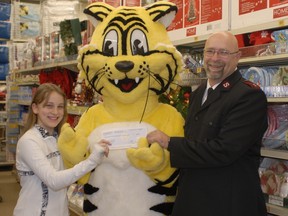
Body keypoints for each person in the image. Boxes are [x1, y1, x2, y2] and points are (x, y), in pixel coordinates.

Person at [147, 31, 268, 216]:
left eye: (223, 52)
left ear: (237, 57)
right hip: (193, 199)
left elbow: (224, 150)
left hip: (228, 203)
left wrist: (170, 143)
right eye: (210, 51)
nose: (215, 58)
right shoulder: (199, 93)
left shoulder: (248, 96)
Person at [13, 83, 110, 216]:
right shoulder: (29, 141)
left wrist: (92, 148)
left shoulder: (58, 138)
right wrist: (92, 160)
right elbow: (54, 181)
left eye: (60, 107)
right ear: (35, 108)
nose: (55, 112)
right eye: (49, 106)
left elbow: (71, 172)